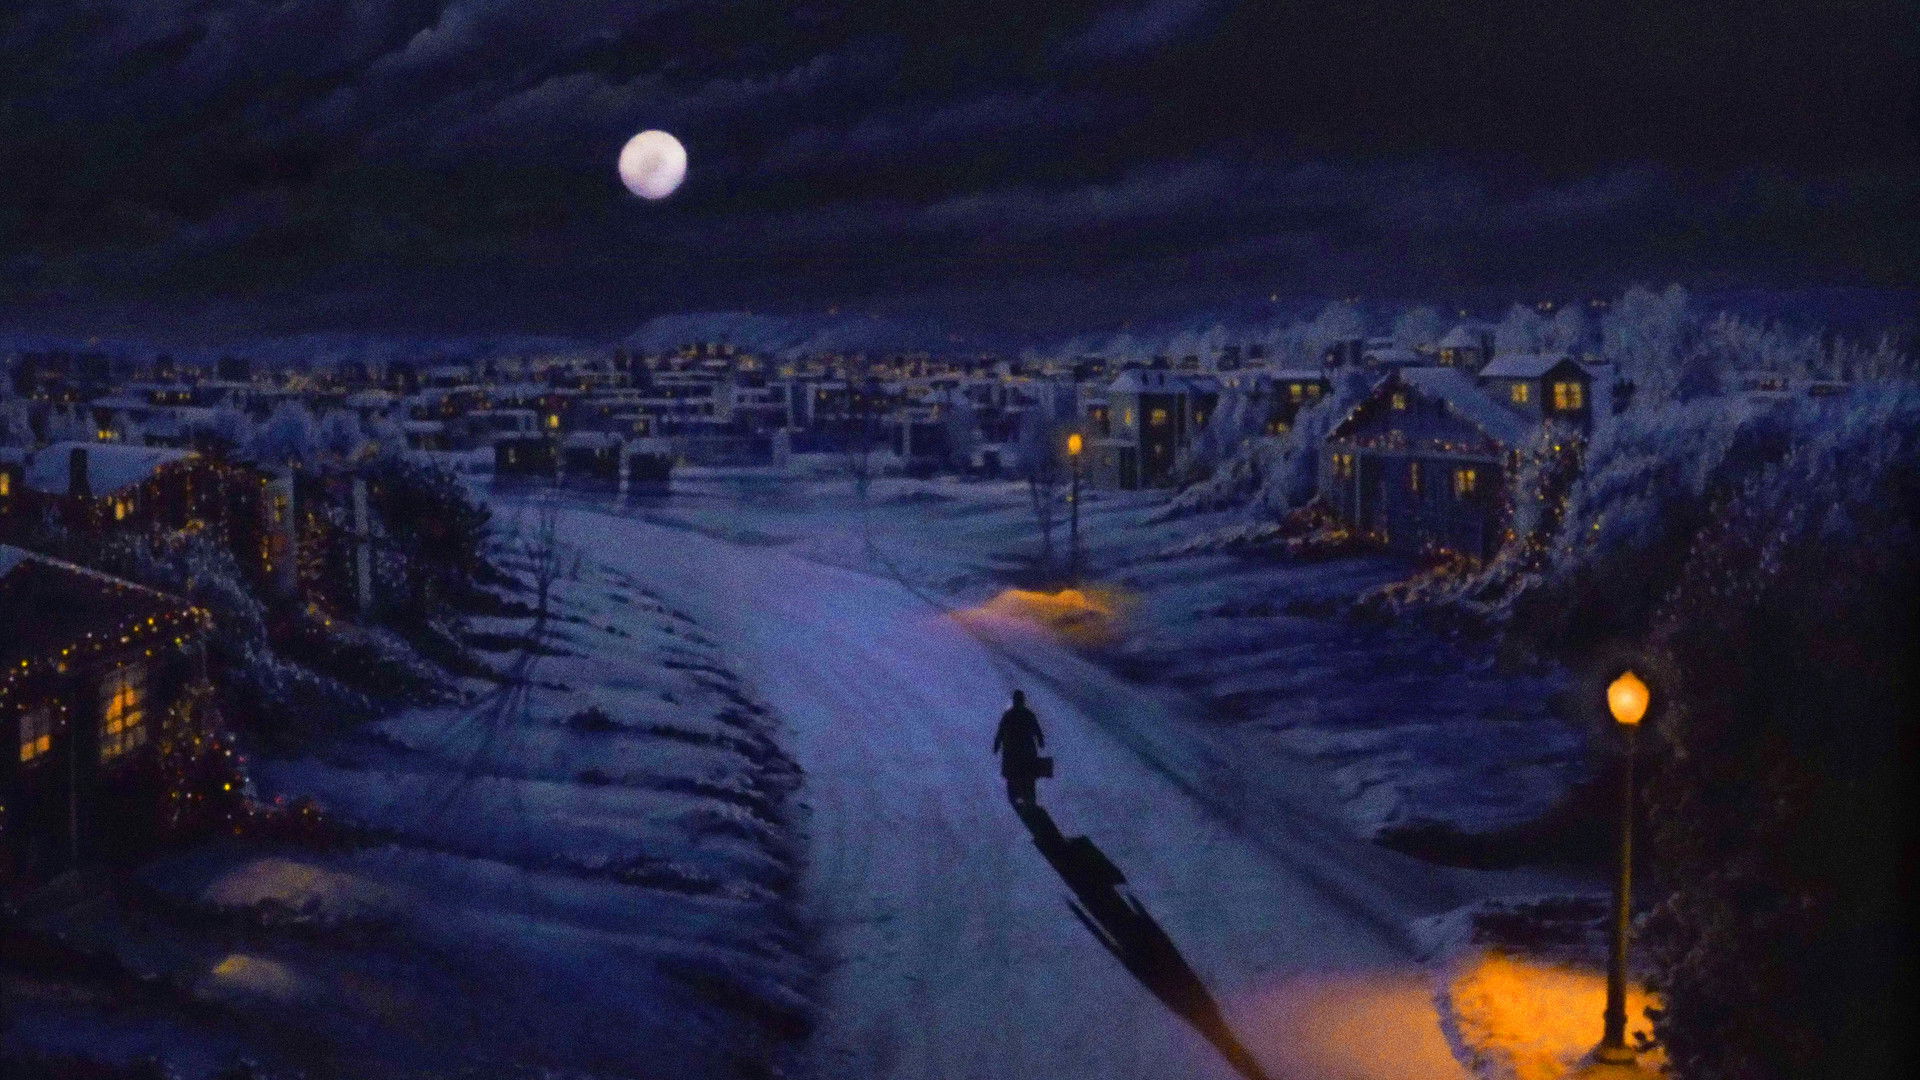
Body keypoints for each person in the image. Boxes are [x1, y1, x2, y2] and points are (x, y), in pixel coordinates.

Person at [992, 689, 1047, 805]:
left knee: (1011, 774)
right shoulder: (1028, 714)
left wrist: (997, 745)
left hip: (1011, 751)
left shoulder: (1008, 715)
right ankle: (1029, 796)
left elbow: (1001, 731)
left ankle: (1015, 795)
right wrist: (1040, 742)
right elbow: (1037, 730)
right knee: (1029, 774)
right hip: (1027, 750)